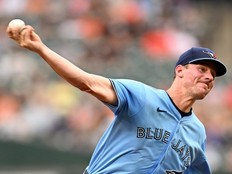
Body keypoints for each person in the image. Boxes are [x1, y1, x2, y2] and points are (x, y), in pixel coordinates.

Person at [7, 25, 227, 174]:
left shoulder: (197, 131)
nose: (208, 77)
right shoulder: (142, 96)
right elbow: (87, 83)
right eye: (202, 68)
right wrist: (41, 49)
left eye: (213, 75)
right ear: (179, 70)